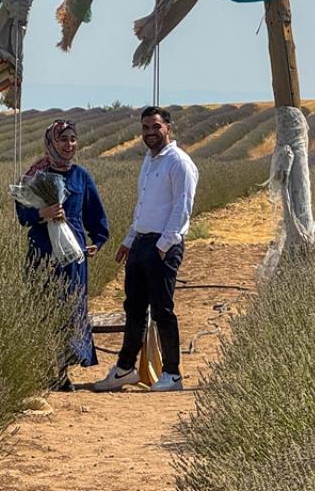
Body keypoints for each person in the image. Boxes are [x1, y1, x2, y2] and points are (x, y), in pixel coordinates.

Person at [93, 106, 198, 393]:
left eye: (156, 127)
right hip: (141, 242)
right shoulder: (149, 161)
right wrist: (129, 240)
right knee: (134, 309)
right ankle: (125, 368)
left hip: (163, 246)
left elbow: (182, 207)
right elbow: (143, 206)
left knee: (163, 310)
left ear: (168, 128)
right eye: (146, 128)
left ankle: (172, 373)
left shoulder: (179, 162)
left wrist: (164, 246)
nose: (150, 133)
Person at [16, 119, 110, 392]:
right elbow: (22, 216)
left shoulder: (81, 176)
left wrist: (98, 241)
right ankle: (47, 368)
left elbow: (95, 215)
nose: (69, 145)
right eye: (63, 139)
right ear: (51, 142)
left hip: (73, 257)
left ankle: (62, 370)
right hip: (43, 256)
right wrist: (41, 214)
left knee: (71, 310)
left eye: (72, 139)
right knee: (44, 308)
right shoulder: (35, 175)